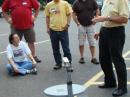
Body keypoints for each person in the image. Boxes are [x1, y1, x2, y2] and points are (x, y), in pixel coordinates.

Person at [92, 0, 129, 96]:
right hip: (104, 31)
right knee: (103, 59)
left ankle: (122, 87)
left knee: (117, 60)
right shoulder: (106, 0)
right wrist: (100, 32)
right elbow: (105, 20)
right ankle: (110, 81)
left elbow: (124, 19)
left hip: (116, 32)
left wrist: (106, 18)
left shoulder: (121, 1)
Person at [45, 0, 72, 70]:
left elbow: (69, 14)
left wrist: (68, 24)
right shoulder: (49, 5)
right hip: (53, 30)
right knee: (55, 49)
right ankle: (58, 63)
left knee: (66, 49)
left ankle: (67, 64)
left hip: (63, 30)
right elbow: (47, 17)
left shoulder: (65, 3)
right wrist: (47, 28)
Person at [72, 0, 100, 64]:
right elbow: (73, 14)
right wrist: (78, 23)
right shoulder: (76, 2)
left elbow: (97, 10)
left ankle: (93, 58)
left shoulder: (92, 1)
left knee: (92, 42)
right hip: (81, 25)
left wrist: (96, 19)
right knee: (81, 42)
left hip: (91, 25)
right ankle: (81, 57)